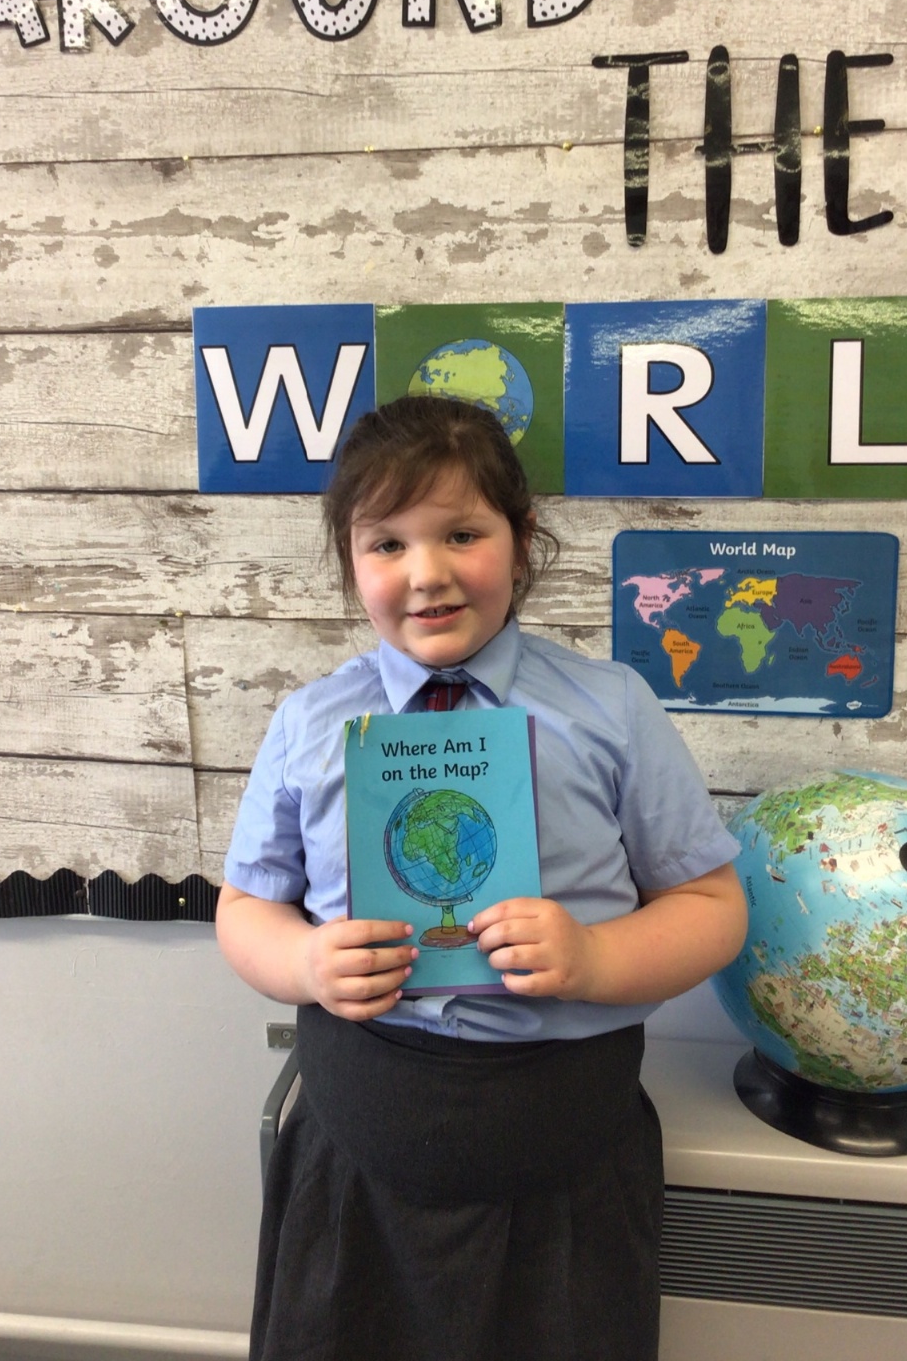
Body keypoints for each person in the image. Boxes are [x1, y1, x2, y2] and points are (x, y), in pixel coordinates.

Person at [217, 393, 747, 1361]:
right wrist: (303, 964)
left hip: (566, 1183)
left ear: (522, 538)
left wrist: (595, 955)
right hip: (355, 1176)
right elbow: (248, 904)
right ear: (350, 560)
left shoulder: (612, 709)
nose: (427, 573)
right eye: (387, 543)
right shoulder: (310, 723)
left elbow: (712, 906)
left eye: (462, 533)